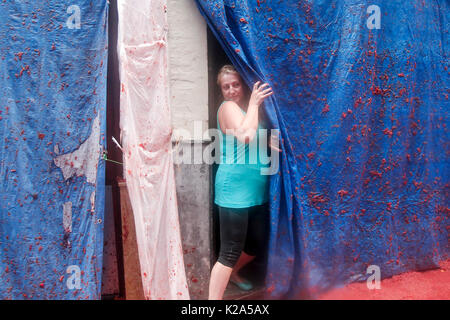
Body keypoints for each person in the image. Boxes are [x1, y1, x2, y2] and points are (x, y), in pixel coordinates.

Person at [208, 64, 277, 300]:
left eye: (235, 84)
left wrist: (268, 143)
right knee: (229, 251)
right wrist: (255, 103)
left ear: (242, 85)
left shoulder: (247, 111)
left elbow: (255, 133)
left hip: (255, 190)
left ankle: (236, 273)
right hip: (233, 189)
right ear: (222, 91)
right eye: (226, 87)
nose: (231, 90)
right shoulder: (228, 108)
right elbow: (245, 136)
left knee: (257, 242)